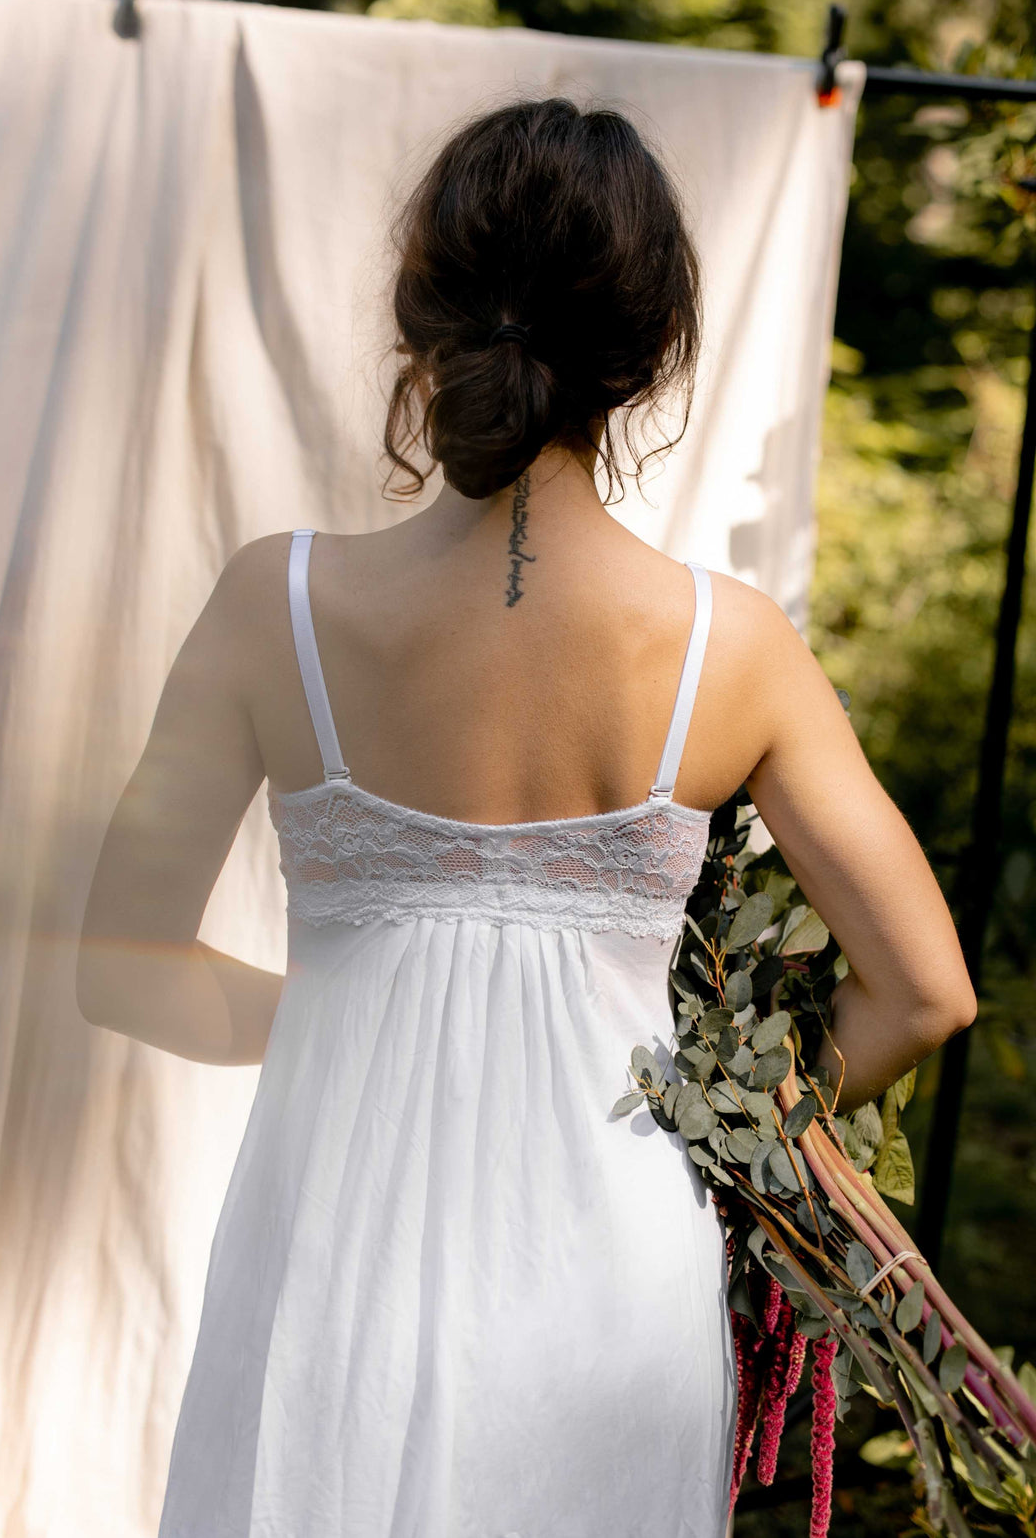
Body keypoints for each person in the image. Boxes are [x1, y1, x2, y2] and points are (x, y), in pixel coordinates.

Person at [77, 97, 977, 1538]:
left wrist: (351, 1008)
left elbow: (119, 962)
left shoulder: (275, 605)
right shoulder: (730, 650)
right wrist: (731, 1127)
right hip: (609, 1277)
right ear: (649, 349)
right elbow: (926, 992)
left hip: (331, 1264)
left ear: (421, 316)